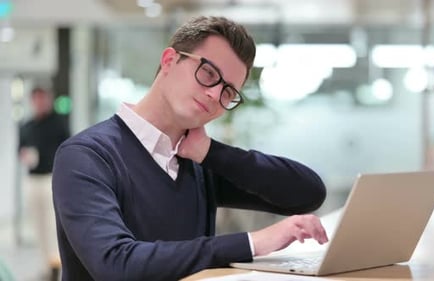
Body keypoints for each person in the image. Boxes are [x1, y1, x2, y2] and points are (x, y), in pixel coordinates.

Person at [52, 16, 328, 281]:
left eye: (228, 92)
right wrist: (252, 242)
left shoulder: (197, 161)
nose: (214, 94)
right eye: (208, 73)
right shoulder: (86, 156)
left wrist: (212, 153)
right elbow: (116, 265)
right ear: (170, 60)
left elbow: (307, 193)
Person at [18, 86, 70, 280]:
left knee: (52, 224)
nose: (40, 103)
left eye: (43, 98)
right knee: (37, 224)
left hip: (50, 178)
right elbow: (20, 149)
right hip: (32, 178)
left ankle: (56, 265)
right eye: (36, 99)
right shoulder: (27, 126)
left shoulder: (58, 123)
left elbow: (68, 148)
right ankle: (46, 267)